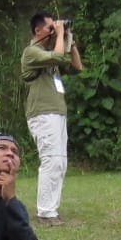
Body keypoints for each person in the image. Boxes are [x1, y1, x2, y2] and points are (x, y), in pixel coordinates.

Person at [20, 12, 82, 227]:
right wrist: (60, 34)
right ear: (37, 31)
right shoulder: (31, 52)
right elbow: (57, 57)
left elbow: (76, 67)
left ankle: (51, 209)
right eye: (50, 27)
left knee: (60, 162)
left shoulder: (51, 53)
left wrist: (69, 39)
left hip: (57, 112)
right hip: (42, 113)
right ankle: (45, 212)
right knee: (51, 160)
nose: (54, 29)